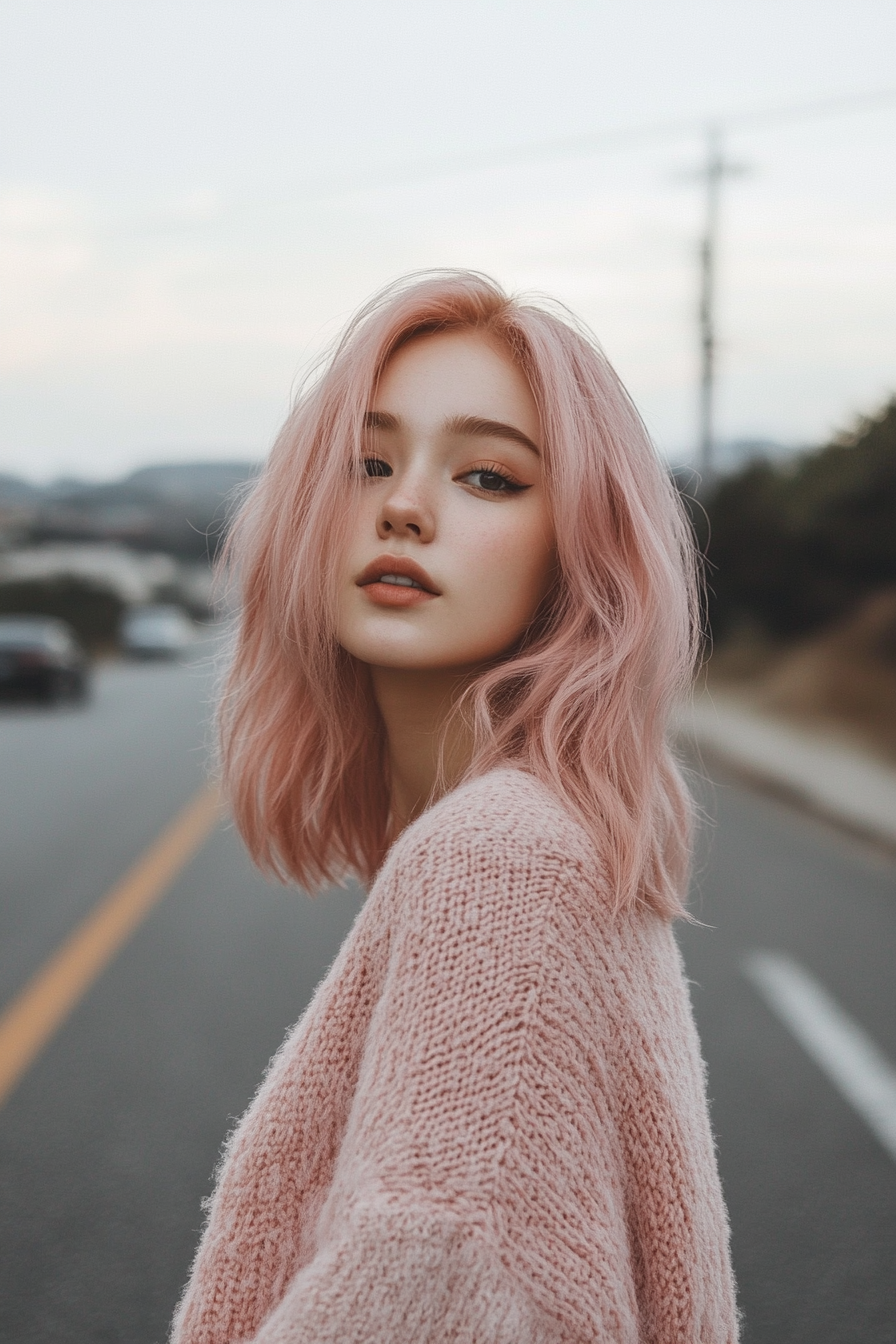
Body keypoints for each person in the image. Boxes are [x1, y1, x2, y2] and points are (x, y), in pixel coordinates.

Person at [171, 271, 738, 1343]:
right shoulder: (533, 834)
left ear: (580, 552)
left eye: (486, 476)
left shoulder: (500, 860)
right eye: (368, 462)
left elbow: (435, 1261)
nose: (402, 504)